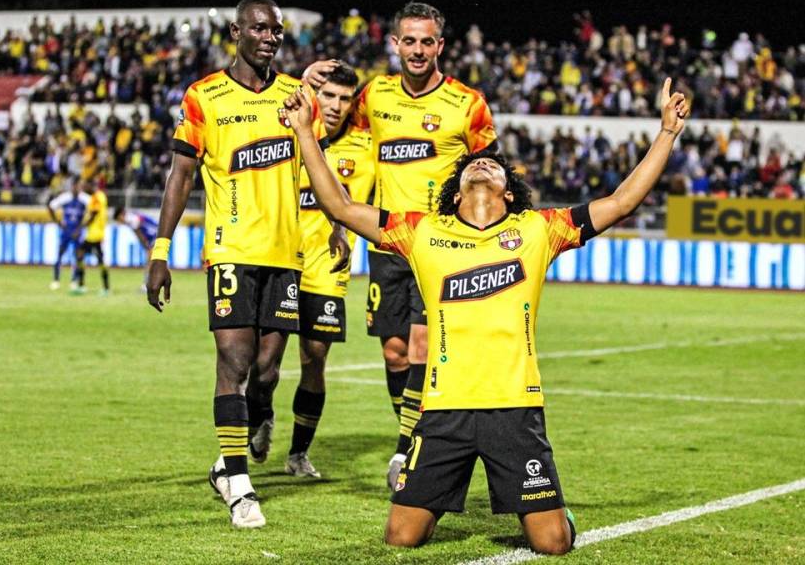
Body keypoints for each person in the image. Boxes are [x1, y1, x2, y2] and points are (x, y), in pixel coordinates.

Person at [281, 77, 688, 553]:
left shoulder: (539, 230)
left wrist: (666, 134)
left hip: (514, 409)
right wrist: (306, 133)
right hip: (442, 411)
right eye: (475, 163)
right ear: (455, 195)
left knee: (552, 543)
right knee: (401, 537)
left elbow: (620, 203)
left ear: (509, 193)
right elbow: (341, 205)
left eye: (493, 165)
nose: (483, 163)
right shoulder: (421, 231)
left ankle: (558, 513)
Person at [144, 0, 329, 530]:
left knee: (267, 370)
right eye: (260, 28)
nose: (271, 37)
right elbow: (180, 175)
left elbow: (315, 165)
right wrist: (161, 250)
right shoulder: (205, 96)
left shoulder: (298, 97)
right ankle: (239, 484)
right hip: (230, 250)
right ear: (236, 32)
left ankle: (249, 429)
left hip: (287, 256)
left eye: (276, 30)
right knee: (234, 362)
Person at [305, 2, 498, 489]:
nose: (417, 50)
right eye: (408, 41)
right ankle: (410, 432)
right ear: (395, 44)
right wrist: (303, 83)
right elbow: (336, 137)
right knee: (394, 352)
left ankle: (405, 451)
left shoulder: (467, 104)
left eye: (426, 41)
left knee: (419, 346)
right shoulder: (374, 97)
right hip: (387, 243)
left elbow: (490, 176)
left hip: (439, 248)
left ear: (440, 46)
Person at [284, 61, 374, 478]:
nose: (336, 105)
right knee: (262, 363)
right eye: (329, 96)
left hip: (327, 266)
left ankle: (299, 453)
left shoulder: (367, 146)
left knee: (314, 357)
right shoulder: (288, 132)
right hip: (279, 258)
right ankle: (259, 418)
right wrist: (300, 80)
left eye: (344, 98)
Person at [47, 176, 90, 291]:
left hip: (77, 231)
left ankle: (74, 280)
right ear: (72, 186)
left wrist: (82, 226)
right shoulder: (65, 198)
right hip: (66, 230)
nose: (77, 188)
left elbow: (94, 212)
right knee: (60, 254)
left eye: (79, 186)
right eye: (75, 186)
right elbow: (51, 207)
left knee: (77, 256)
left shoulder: (85, 199)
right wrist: (58, 223)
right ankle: (56, 280)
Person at [73, 179, 110, 296]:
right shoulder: (101, 196)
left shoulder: (96, 197)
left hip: (95, 235)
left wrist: (80, 228)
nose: (83, 188)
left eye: (85, 186)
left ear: (91, 185)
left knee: (98, 260)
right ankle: (83, 285)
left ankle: (105, 287)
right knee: (81, 254)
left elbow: (94, 213)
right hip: (94, 234)